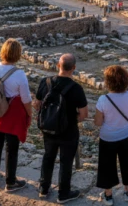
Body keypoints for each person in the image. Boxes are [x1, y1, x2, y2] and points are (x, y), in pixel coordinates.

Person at [34, 54, 88, 203]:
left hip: (48, 128)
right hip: (68, 130)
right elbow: (84, 114)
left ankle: (43, 189)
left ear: (58, 65)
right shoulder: (76, 88)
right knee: (66, 161)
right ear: (74, 68)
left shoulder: (45, 82)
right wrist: (70, 119)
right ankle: (63, 194)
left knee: (48, 156)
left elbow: (37, 103)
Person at [0, 39, 32, 193]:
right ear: (18, 54)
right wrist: (29, 115)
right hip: (12, 115)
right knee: (11, 148)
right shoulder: (19, 74)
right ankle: (10, 182)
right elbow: (26, 99)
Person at [94, 65, 128, 204]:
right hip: (127, 134)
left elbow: (98, 122)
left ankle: (108, 195)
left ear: (108, 81)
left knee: (106, 165)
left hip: (108, 137)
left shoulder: (103, 99)